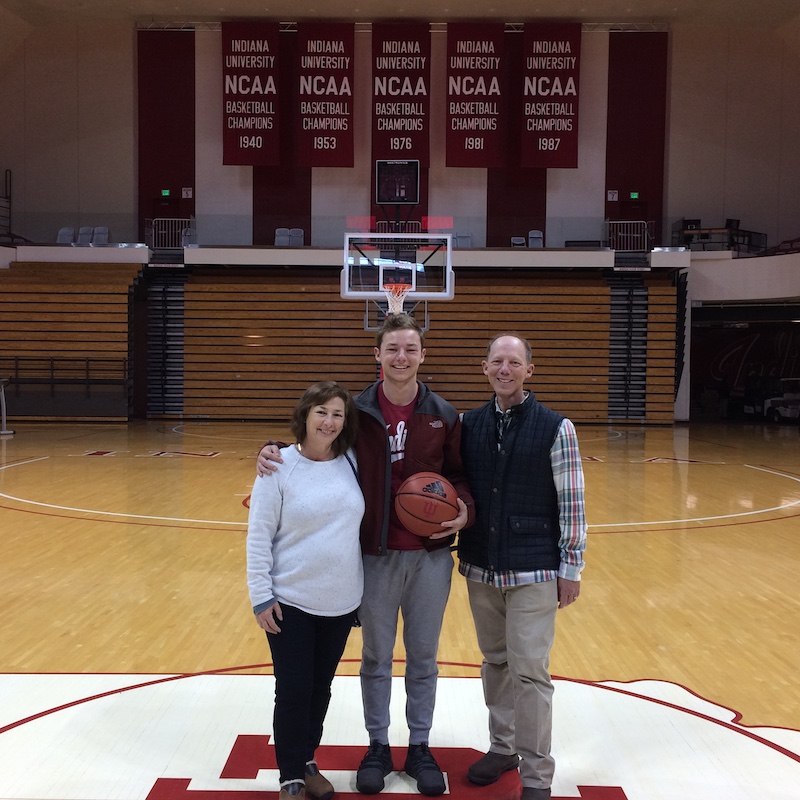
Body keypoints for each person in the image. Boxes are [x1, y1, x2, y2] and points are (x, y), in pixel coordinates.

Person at [258, 313, 474, 797]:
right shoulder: (354, 412)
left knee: (424, 658)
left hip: (430, 556)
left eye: (410, 349)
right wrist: (271, 451)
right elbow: (313, 446)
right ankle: (378, 744)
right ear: (377, 355)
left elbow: (460, 476)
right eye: (392, 349)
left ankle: (419, 746)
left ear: (422, 355)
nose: (401, 357)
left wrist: (465, 509)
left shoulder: (444, 413)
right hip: (372, 557)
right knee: (376, 658)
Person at [457, 334, 587, 800]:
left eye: (514, 362)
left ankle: (536, 775)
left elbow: (572, 501)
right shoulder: (467, 424)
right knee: (496, 663)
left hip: (535, 571)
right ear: (485, 368)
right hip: (480, 568)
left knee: (530, 671)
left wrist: (571, 566)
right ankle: (503, 747)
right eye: (497, 361)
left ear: (529, 370)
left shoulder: (557, 427)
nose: (505, 369)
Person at [247, 381, 365, 800]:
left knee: (320, 688)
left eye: (337, 414)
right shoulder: (277, 467)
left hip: (341, 601)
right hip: (290, 601)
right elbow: (258, 535)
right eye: (321, 412)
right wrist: (260, 594)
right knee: (293, 690)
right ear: (305, 415)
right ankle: (290, 777)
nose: (329, 421)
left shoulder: (352, 461)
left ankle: (306, 758)